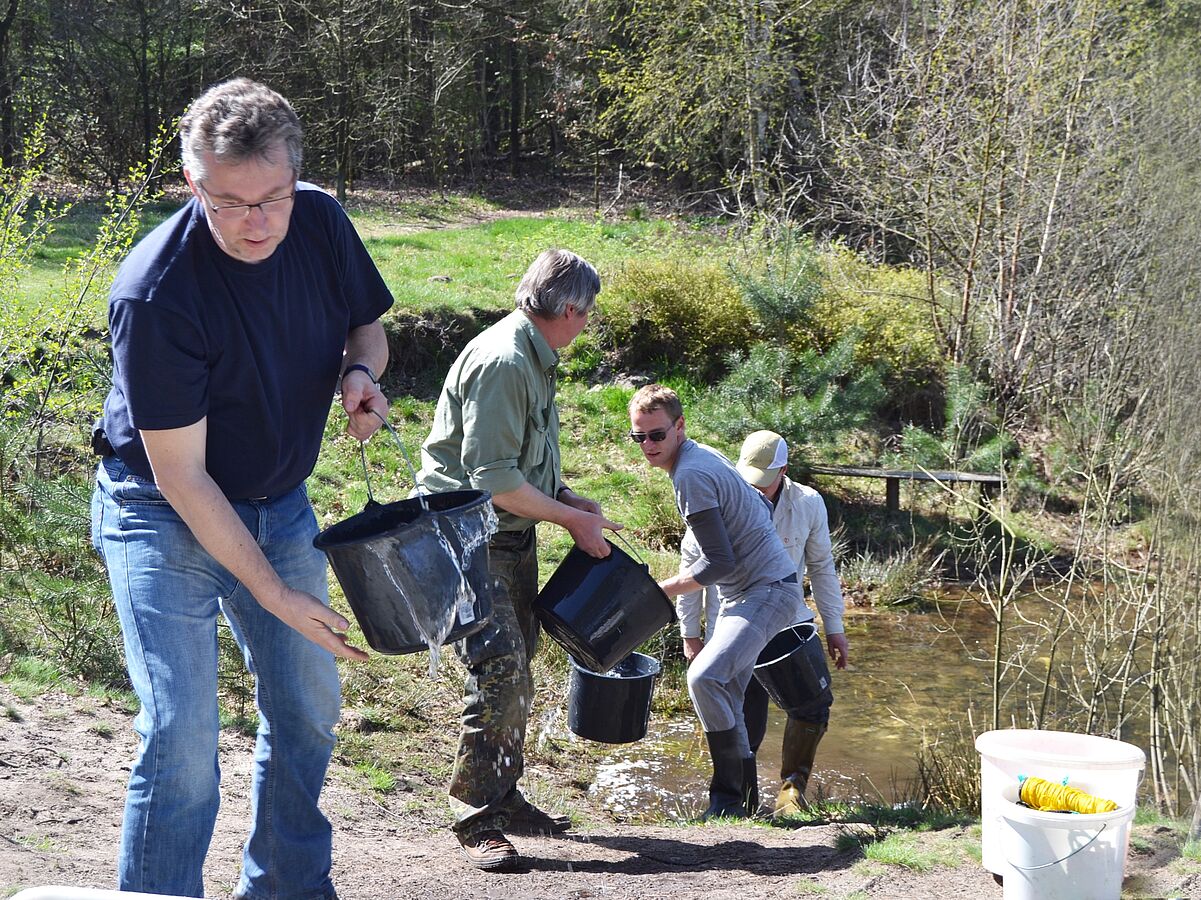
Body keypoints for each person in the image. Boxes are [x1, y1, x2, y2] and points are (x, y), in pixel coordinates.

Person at [90, 78, 393, 899]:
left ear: (296, 177)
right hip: (159, 512)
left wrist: (359, 372)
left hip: (279, 501)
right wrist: (269, 590)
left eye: (273, 199)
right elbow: (180, 476)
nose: (256, 223)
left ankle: (286, 889)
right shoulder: (155, 292)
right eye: (228, 203)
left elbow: (367, 322)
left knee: (306, 712)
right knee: (183, 738)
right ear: (193, 183)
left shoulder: (321, 220)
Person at [417, 248, 622, 871]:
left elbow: (522, 464)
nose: (586, 327)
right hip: (469, 538)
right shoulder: (506, 361)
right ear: (567, 308)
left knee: (519, 664)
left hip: (509, 535)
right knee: (501, 671)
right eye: (586, 316)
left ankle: (503, 796)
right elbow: (495, 480)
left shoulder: (535, 356)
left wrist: (563, 496)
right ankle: (476, 817)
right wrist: (573, 522)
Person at [629, 384, 802, 820]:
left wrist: (658, 591)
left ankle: (728, 796)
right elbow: (756, 511)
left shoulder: (690, 474)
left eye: (656, 435)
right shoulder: (699, 456)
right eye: (639, 437)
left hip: (768, 589)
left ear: (679, 427)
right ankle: (737, 803)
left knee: (704, 677)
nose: (648, 445)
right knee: (728, 688)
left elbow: (720, 562)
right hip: (745, 592)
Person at [678, 430, 849, 817]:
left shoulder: (807, 503)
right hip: (735, 621)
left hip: (788, 621)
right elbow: (693, 563)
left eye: (763, 477)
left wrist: (834, 627)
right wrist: (691, 635)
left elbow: (822, 567)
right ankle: (741, 804)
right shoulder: (721, 494)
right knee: (741, 713)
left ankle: (791, 793)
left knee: (813, 706)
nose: (754, 485)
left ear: (783, 471)